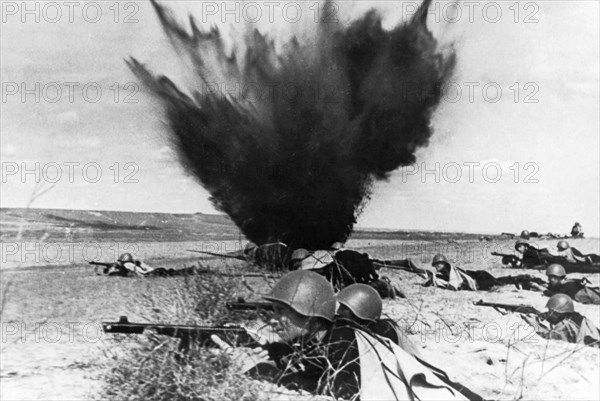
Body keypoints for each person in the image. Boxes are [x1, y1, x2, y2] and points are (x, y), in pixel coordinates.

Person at [216, 270, 482, 400]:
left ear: (309, 312)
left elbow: (343, 392)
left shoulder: (343, 339)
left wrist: (268, 373)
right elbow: (307, 363)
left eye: (283, 311)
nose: (275, 320)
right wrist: (261, 355)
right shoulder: (315, 338)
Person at [336, 283, 420, 357]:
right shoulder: (389, 327)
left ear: (361, 313)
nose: (338, 311)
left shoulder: (384, 332)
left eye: (344, 309)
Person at [520, 294, 600, 348]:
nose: (548, 313)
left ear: (558, 313)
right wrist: (537, 313)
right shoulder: (574, 316)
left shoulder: (564, 326)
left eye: (550, 311)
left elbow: (547, 337)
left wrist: (534, 323)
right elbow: (554, 318)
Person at [534, 264, 600, 305]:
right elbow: (558, 288)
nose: (549, 280)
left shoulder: (570, 285)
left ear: (557, 277)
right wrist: (547, 286)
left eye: (551, 278)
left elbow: (557, 295)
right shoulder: (567, 282)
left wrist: (542, 289)